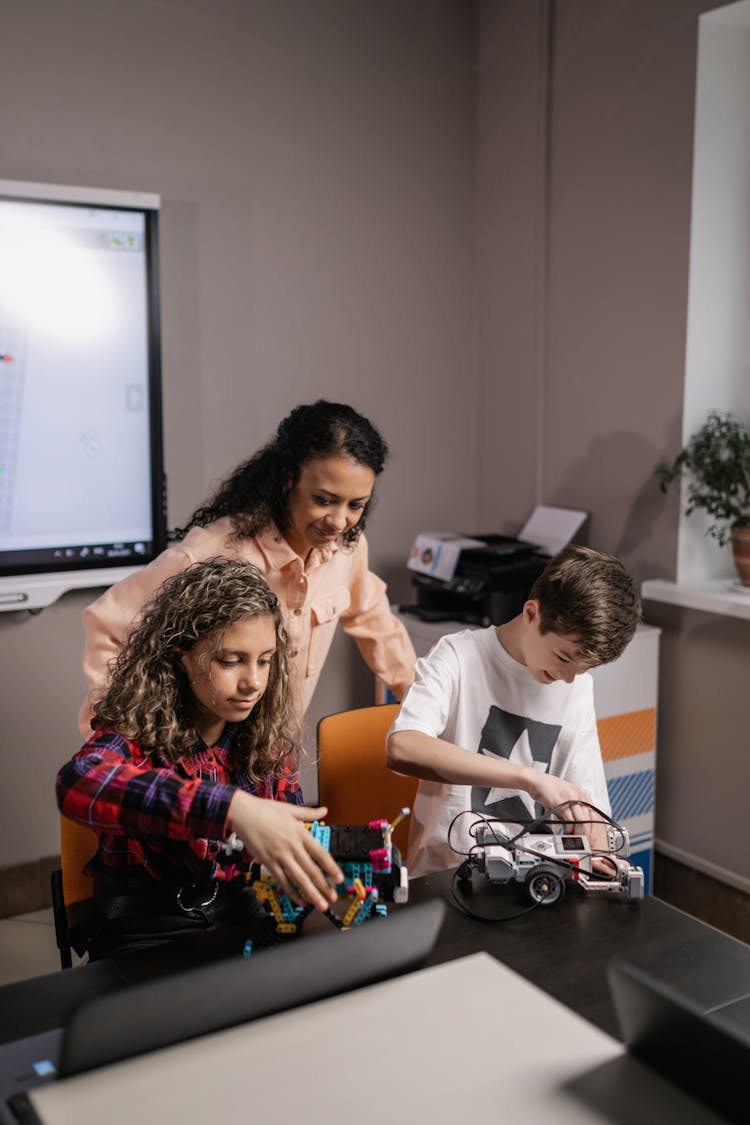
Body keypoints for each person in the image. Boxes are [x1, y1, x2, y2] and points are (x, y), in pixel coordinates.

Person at [58, 557, 344, 959]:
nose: (254, 682)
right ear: (181, 655)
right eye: (230, 661)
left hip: (236, 910)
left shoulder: (265, 742)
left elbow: (281, 853)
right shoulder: (133, 733)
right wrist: (230, 808)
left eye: (265, 660)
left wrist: (332, 865)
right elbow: (78, 782)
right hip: (143, 926)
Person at [79, 400, 416, 736]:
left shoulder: (348, 549)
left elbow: (375, 623)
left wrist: (424, 707)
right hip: (200, 759)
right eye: (324, 500)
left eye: (356, 505)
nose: (339, 521)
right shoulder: (210, 552)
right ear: (288, 479)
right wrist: (125, 736)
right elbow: (108, 624)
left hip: (274, 757)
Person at [386, 545, 641, 879]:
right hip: (447, 877)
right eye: (563, 659)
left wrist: (596, 845)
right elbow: (402, 747)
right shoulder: (457, 656)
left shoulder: (577, 687)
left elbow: (588, 808)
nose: (567, 678)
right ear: (532, 614)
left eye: (583, 669)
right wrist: (530, 779)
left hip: (535, 882)